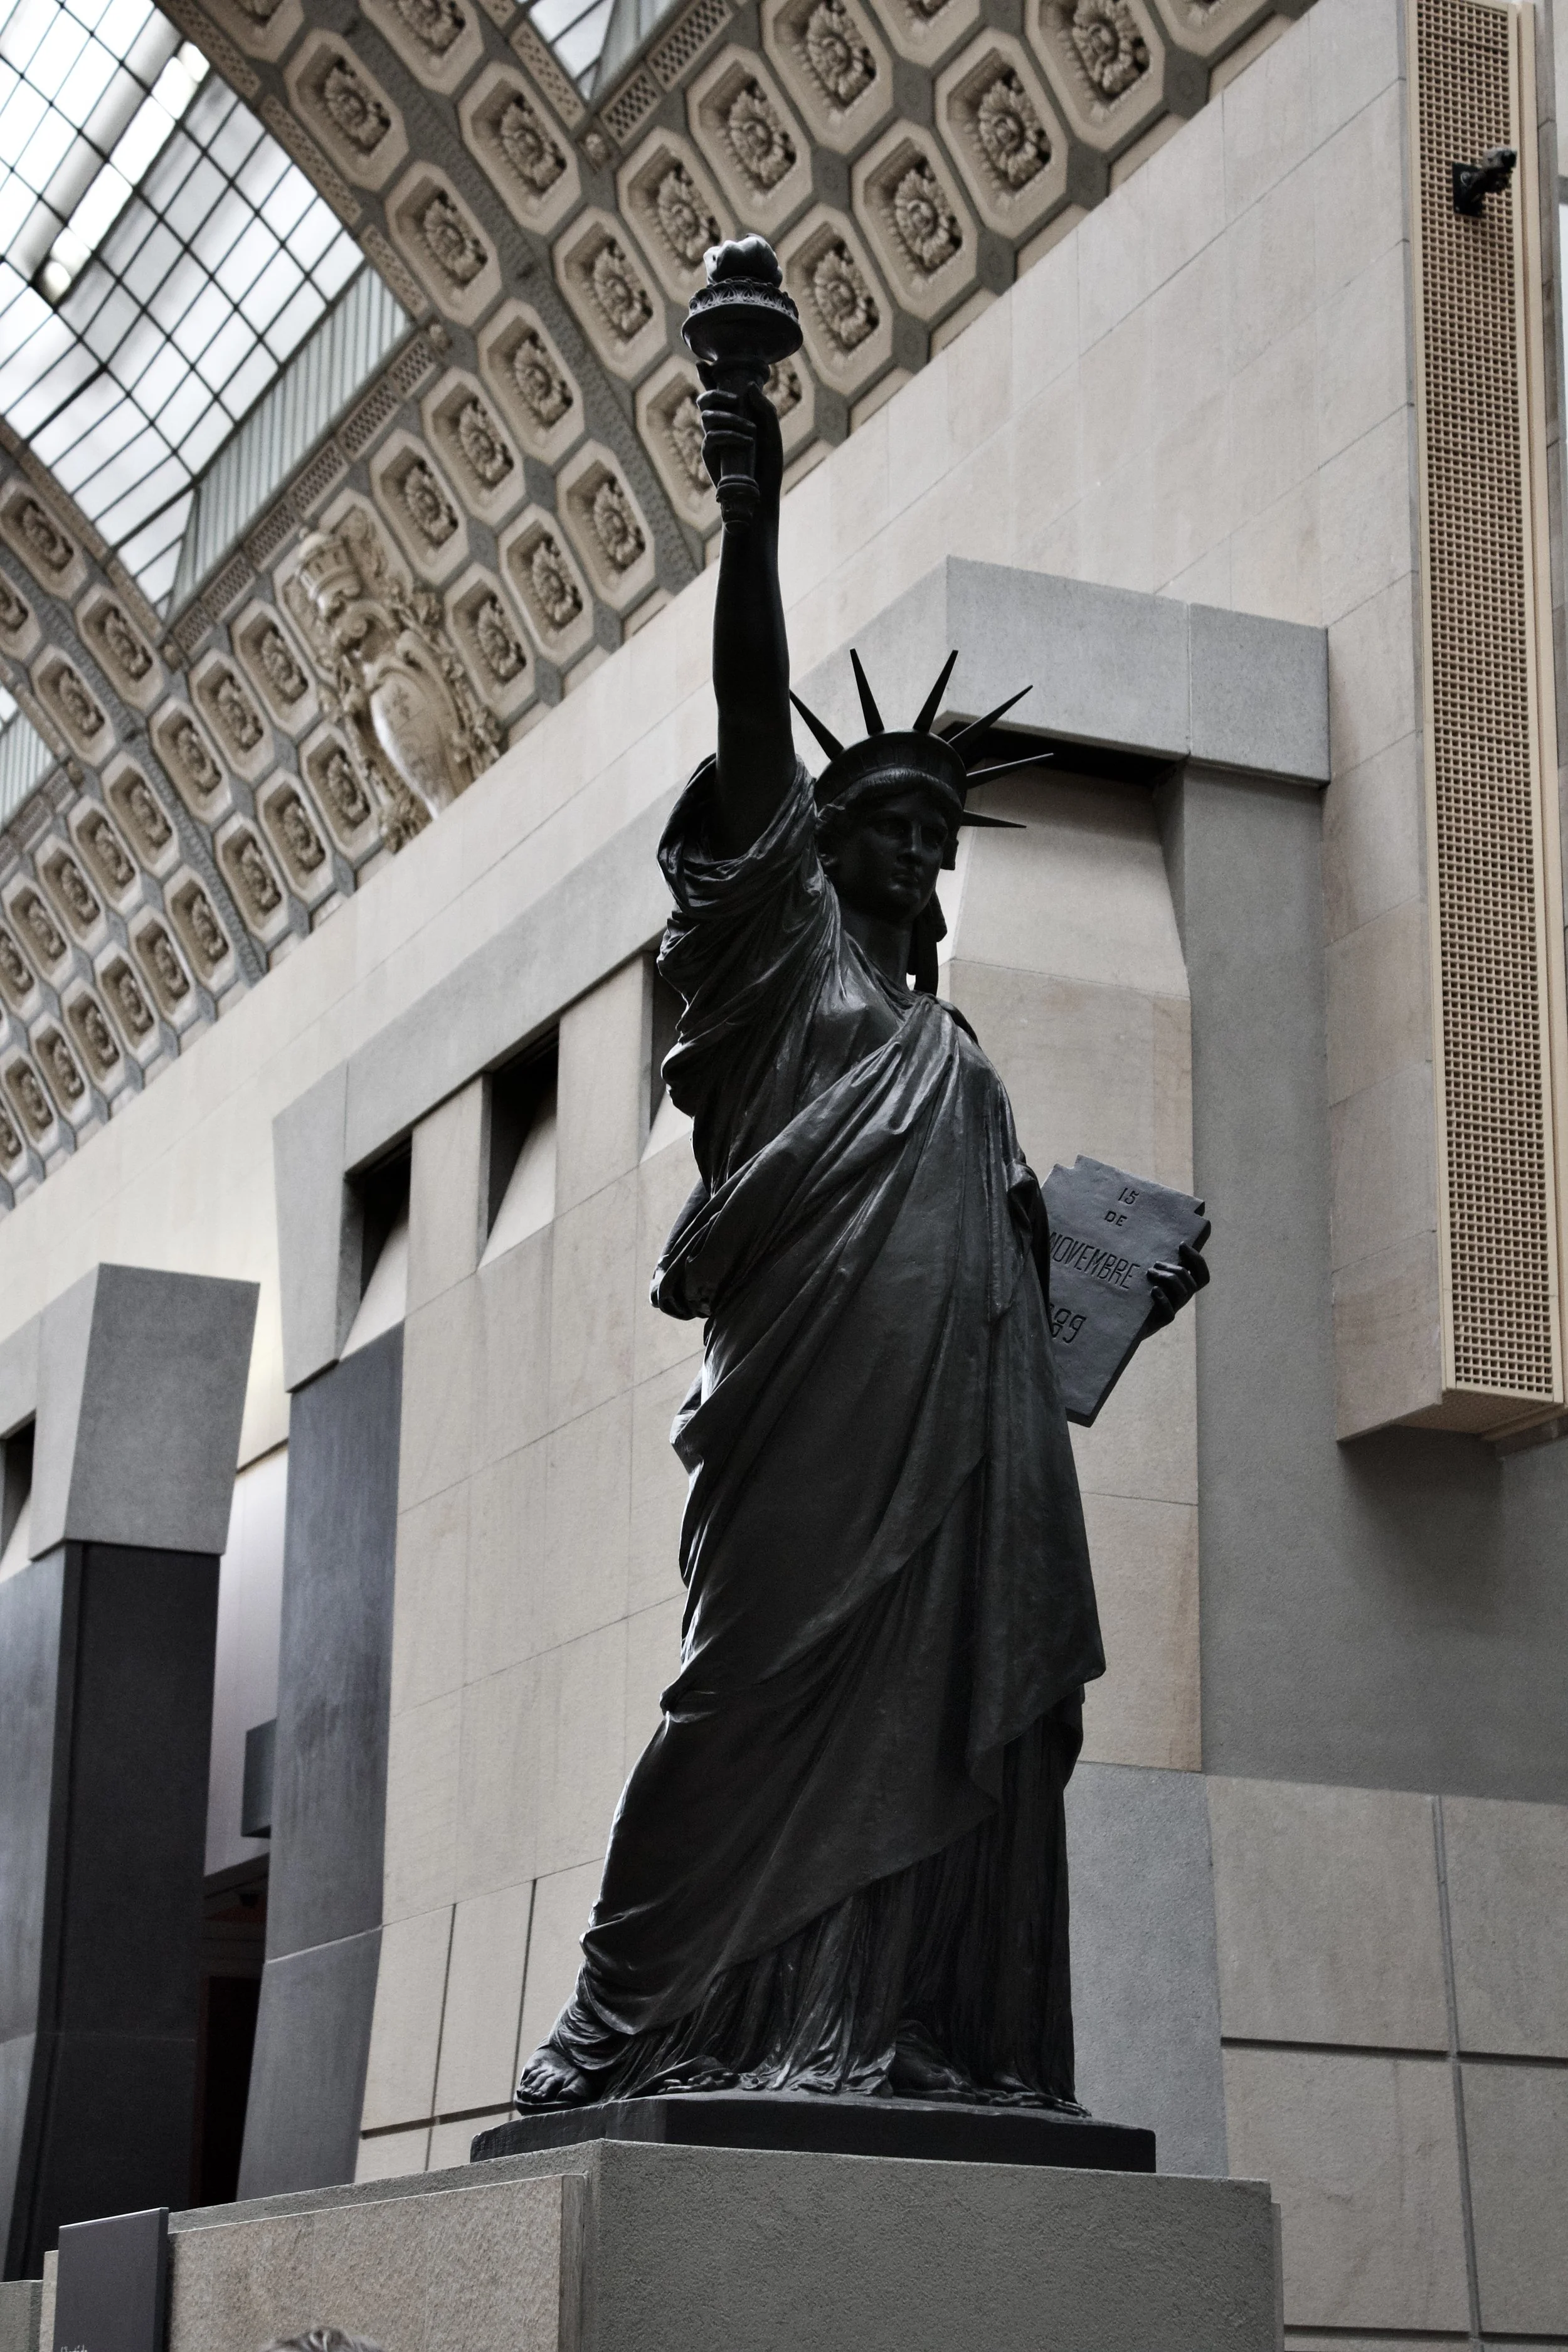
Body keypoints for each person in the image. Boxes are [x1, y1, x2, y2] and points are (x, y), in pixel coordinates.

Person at [517, 248, 1205, 2109]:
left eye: (935, 832)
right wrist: (747, 489)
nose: (918, 852)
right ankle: (642, 2019)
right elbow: (753, 712)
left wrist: (1096, 1285)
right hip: (811, 1427)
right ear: (816, 848)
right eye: (881, 824)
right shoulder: (782, 971)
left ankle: (888, 2030)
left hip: (965, 1452)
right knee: (747, 1689)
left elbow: (997, 1275)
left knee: (958, 1725)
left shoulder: (958, 1062)